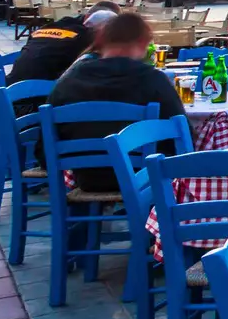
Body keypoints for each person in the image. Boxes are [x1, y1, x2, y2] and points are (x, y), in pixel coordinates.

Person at [45, 11, 186, 189]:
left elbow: (44, 147)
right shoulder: (152, 79)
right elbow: (183, 135)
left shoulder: (70, 79)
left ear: (102, 41)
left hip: (86, 178)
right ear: (143, 42)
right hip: (142, 178)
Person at [8, 2, 121, 108]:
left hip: (10, 97)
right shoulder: (87, 35)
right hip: (40, 106)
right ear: (88, 19)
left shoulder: (48, 27)